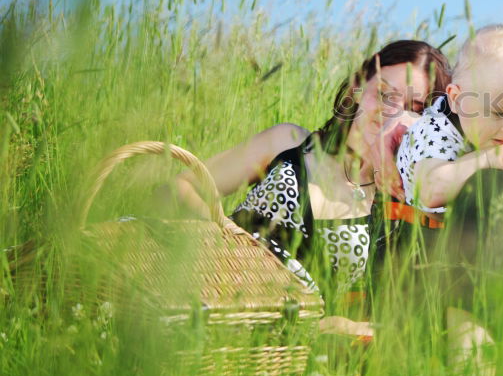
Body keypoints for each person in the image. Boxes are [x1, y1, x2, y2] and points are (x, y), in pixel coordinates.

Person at [173, 40, 451, 298]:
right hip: (212, 296)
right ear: (357, 87)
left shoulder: (401, 204)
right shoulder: (289, 142)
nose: (390, 113)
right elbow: (181, 187)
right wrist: (231, 244)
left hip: (292, 340)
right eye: (382, 94)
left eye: (411, 108)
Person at [395, 24, 503, 214]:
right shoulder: (435, 128)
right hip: (422, 227)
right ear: (457, 99)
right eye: (499, 113)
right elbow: (429, 191)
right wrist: (485, 159)